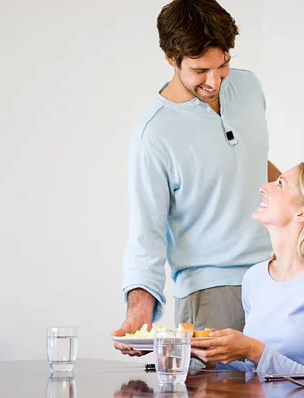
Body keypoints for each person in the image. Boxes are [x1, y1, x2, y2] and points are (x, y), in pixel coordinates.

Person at [113, 0, 281, 356]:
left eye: (224, 65)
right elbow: (147, 234)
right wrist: (139, 308)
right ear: (170, 58)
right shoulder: (153, 135)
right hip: (209, 295)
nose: (214, 80)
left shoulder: (249, 88)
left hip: (275, 278)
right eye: (200, 70)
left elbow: (251, 159)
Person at [191, 163, 304, 380]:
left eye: (280, 184)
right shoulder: (255, 277)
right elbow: (256, 372)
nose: (264, 187)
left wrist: (253, 350)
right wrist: (204, 355)